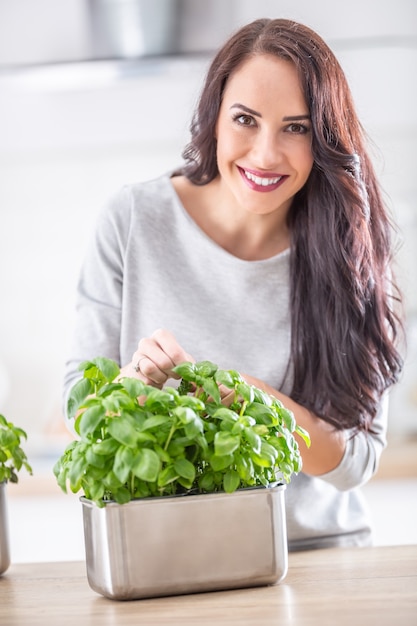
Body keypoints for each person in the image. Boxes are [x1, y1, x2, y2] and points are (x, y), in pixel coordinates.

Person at [63, 18, 404, 550]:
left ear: (325, 140)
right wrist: (132, 384)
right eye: (246, 119)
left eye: (298, 127)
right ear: (214, 118)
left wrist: (258, 403)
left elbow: (355, 463)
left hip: (316, 555)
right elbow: (80, 409)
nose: (266, 155)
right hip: (168, 555)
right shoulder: (131, 221)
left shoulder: (350, 247)